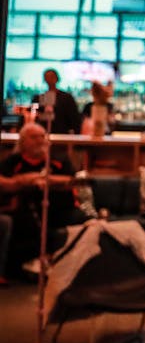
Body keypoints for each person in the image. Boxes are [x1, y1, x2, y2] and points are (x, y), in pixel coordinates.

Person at [0, 123, 87, 267]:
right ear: (23, 142)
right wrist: (30, 179)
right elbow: (4, 182)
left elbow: (71, 181)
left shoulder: (59, 159)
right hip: (27, 211)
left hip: (62, 209)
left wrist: (43, 179)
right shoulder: (14, 161)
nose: (40, 140)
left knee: (85, 220)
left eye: (43, 136)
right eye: (34, 137)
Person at [33, 69, 81, 135]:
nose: (49, 80)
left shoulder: (66, 98)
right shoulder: (38, 98)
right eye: (47, 77)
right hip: (42, 133)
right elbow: (34, 114)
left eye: (52, 77)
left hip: (62, 133)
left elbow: (74, 117)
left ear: (57, 78)